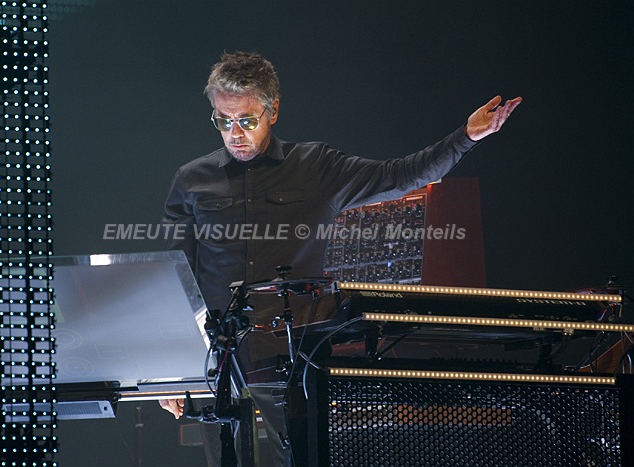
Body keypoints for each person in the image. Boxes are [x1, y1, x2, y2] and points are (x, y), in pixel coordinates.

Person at [159, 51, 521, 466]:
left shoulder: (316, 166)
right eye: (223, 121)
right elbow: (175, 279)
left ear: (273, 111)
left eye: (246, 120)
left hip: (293, 357)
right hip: (218, 362)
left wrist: (466, 137)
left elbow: (400, 175)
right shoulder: (192, 179)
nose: (235, 133)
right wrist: (169, 370)